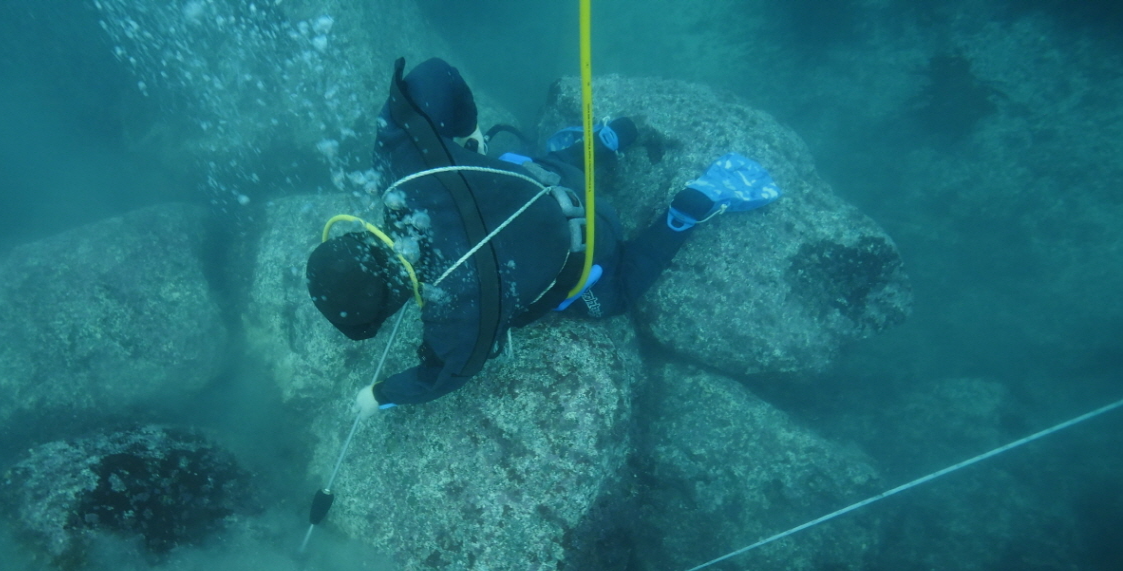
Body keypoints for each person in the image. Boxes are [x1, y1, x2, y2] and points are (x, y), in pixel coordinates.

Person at [305, 57, 778, 415]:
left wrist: (379, 396)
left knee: (616, 295)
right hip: (550, 177)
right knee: (524, 164)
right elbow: (434, 74)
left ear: (389, 308)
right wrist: (469, 135)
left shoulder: (457, 313)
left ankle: (686, 211)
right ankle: (604, 143)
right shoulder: (401, 166)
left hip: (596, 237)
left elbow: (441, 377)